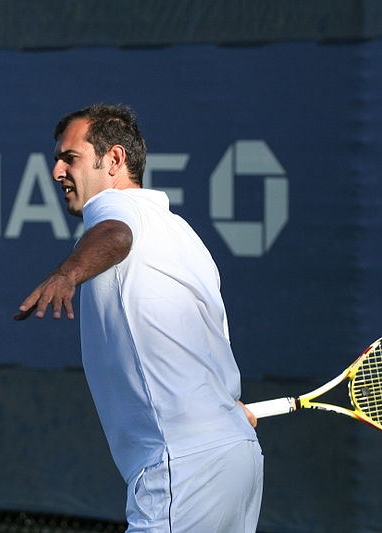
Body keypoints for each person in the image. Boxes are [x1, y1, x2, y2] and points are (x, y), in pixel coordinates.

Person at [14, 103, 263, 532]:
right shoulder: (183, 236)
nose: (57, 171)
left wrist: (66, 274)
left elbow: (115, 235)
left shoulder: (114, 209)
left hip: (182, 465)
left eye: (69, 158)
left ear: (114, 160)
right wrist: (222, 406)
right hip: (235, 455)